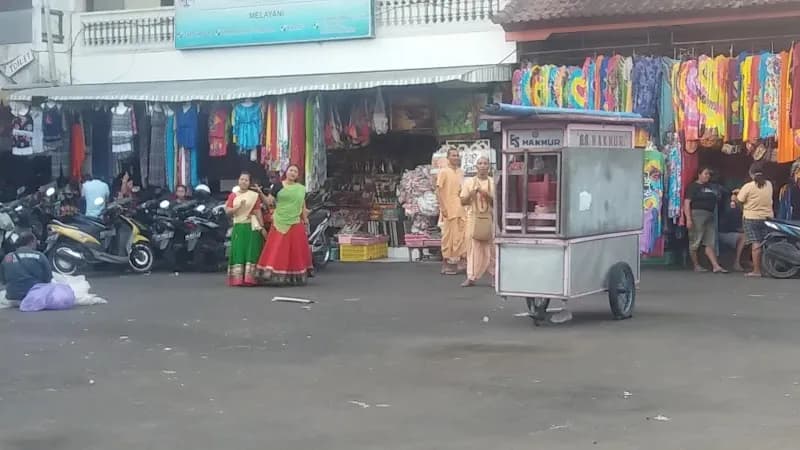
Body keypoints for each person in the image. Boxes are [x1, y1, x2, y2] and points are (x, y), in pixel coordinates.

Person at [256, 165, 313, 286]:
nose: (293, 173)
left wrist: (305, 218)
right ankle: (272, 274)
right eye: (291, 170)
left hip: (296, 222)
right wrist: (260, 193)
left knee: (295, 250)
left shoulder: (301, 189)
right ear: (286, 172)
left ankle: (294, 276)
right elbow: (269, 202)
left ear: (298, 175)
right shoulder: (278, 186)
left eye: (295, 171)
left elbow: (302, 205)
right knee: (277, 249)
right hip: (280, 221)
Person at [733, 162, 774, 278]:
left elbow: (740, 201)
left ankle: (756, 270)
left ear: (751, 174)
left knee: (756, 244)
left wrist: (735, 196)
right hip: (767, 218)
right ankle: (766, 268)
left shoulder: (748, 186)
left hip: (751, 218)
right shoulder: (769, 184)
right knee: (764, 243)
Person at [460, 156, 495, 287]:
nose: (482, 166)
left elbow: (497, 202)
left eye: (485, 163)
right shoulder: (469, 182)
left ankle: (494, 276)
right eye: (480, 163)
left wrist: (485, 194)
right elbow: (463, 201)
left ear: (489, 167)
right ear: (476, 167)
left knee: (491, 249)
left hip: (489, 217)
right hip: (473, 217)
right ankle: (471, 277)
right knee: (473, 248)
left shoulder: (492, 182)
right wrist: (472, 195)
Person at [684, 167, 727, 273]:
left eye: (709, 174)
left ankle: (716, 266)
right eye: (705, 174)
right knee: (695, 241)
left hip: (710, 215)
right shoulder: (693, 186)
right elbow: (687, 203)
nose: (708, 176)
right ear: (699, 174)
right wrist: (688, 218)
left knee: (710, 241)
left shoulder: (711, 187)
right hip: (697, 215)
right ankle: (696, 265)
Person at [225, 172, 264, 286]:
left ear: (249, 182)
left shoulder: (254, 196)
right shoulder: (233, 196)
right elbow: (227, 211)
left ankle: (250, 278)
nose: (243, 182)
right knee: (238, 251)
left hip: (251, 227)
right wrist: (238, 207)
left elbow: (257, 212)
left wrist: (261, 227)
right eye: (242, 179)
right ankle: (237, 279)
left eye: (246, 180)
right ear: (238, 180)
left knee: (251, 251)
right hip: (239, 226)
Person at [437, 148, 467, 275]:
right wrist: (443, 207)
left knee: (461, 236)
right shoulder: (444, 171)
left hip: (460, 208)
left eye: (457, 155)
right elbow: (438, 191)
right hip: (448, 209)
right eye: (453, 155)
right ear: (448, 157)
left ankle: (460, 261)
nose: (456, 157)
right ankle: (445, 264)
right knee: (448, 237)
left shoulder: (460, 172)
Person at [0, 232, 52, 305]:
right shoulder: (40, 256)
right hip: (35, 295)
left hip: (13, 297)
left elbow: (3, 281)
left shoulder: (8, 257)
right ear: (31, 242)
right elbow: (48, 278)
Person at [717, 192, 747, 272]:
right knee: (744, 237)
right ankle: (737, 262)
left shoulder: (739, 208)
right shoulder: (731, 208)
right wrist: (740, 229)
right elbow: (727, 225)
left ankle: (744, 260)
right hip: (724, 233)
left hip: (731, 231)